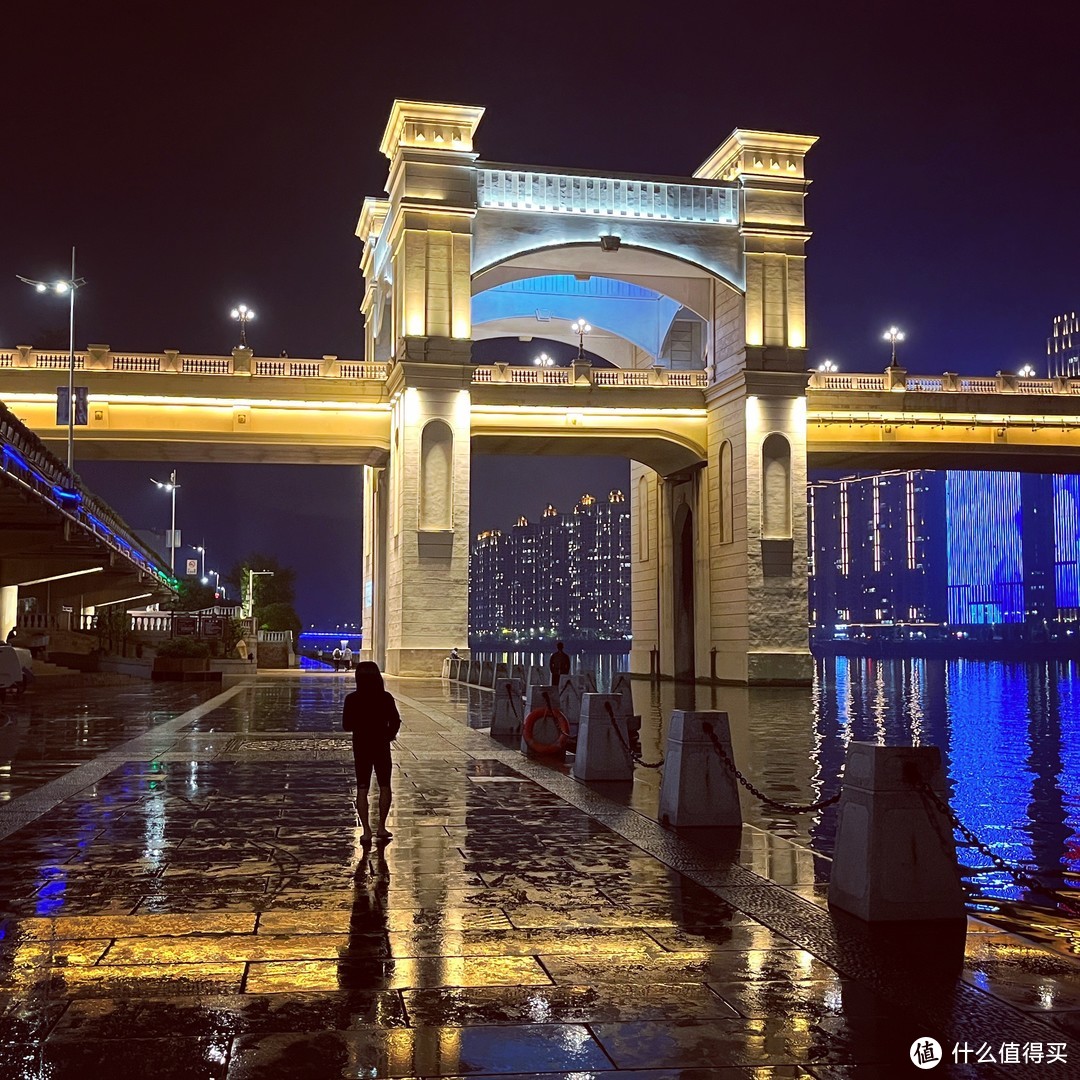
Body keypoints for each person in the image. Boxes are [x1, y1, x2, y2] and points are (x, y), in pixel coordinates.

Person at [342, 661, 400, 844]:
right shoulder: (385, 697)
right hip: (381, 745)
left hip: (361, 746)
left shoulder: (352, 699)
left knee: (362, 787)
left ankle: (366, 831)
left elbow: (346, 725)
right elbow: (396, 721)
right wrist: (388, 736)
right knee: (384, 785)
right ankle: (381, 827)